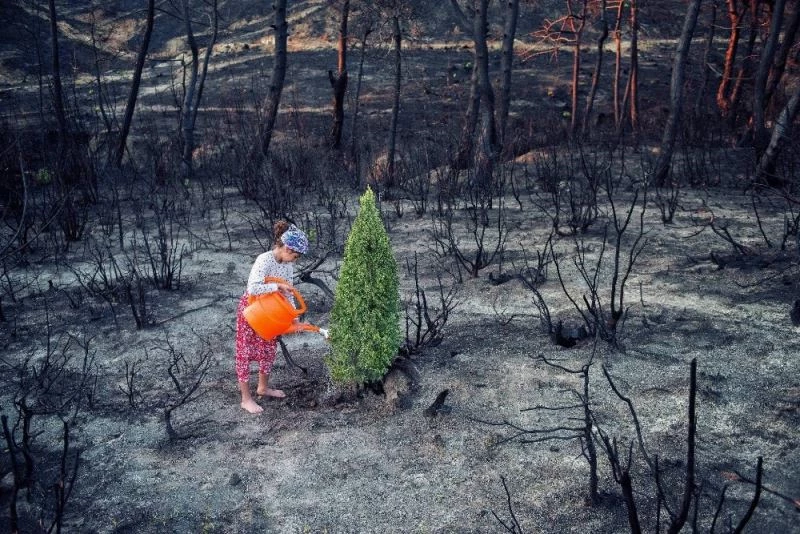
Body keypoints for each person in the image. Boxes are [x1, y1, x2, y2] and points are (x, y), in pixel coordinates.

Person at [236, 220, 309, 414]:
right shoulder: (264, 259)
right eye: (294, 255)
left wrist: (294, 318)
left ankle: (263, 387)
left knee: (268, 348)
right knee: (245, 352)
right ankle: (246, 398)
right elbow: (253, 287)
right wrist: (276, 286)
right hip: (253, 309)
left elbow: (290, 293)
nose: (294, 260)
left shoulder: (287, 267)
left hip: (272, 311)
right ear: (286, 247)